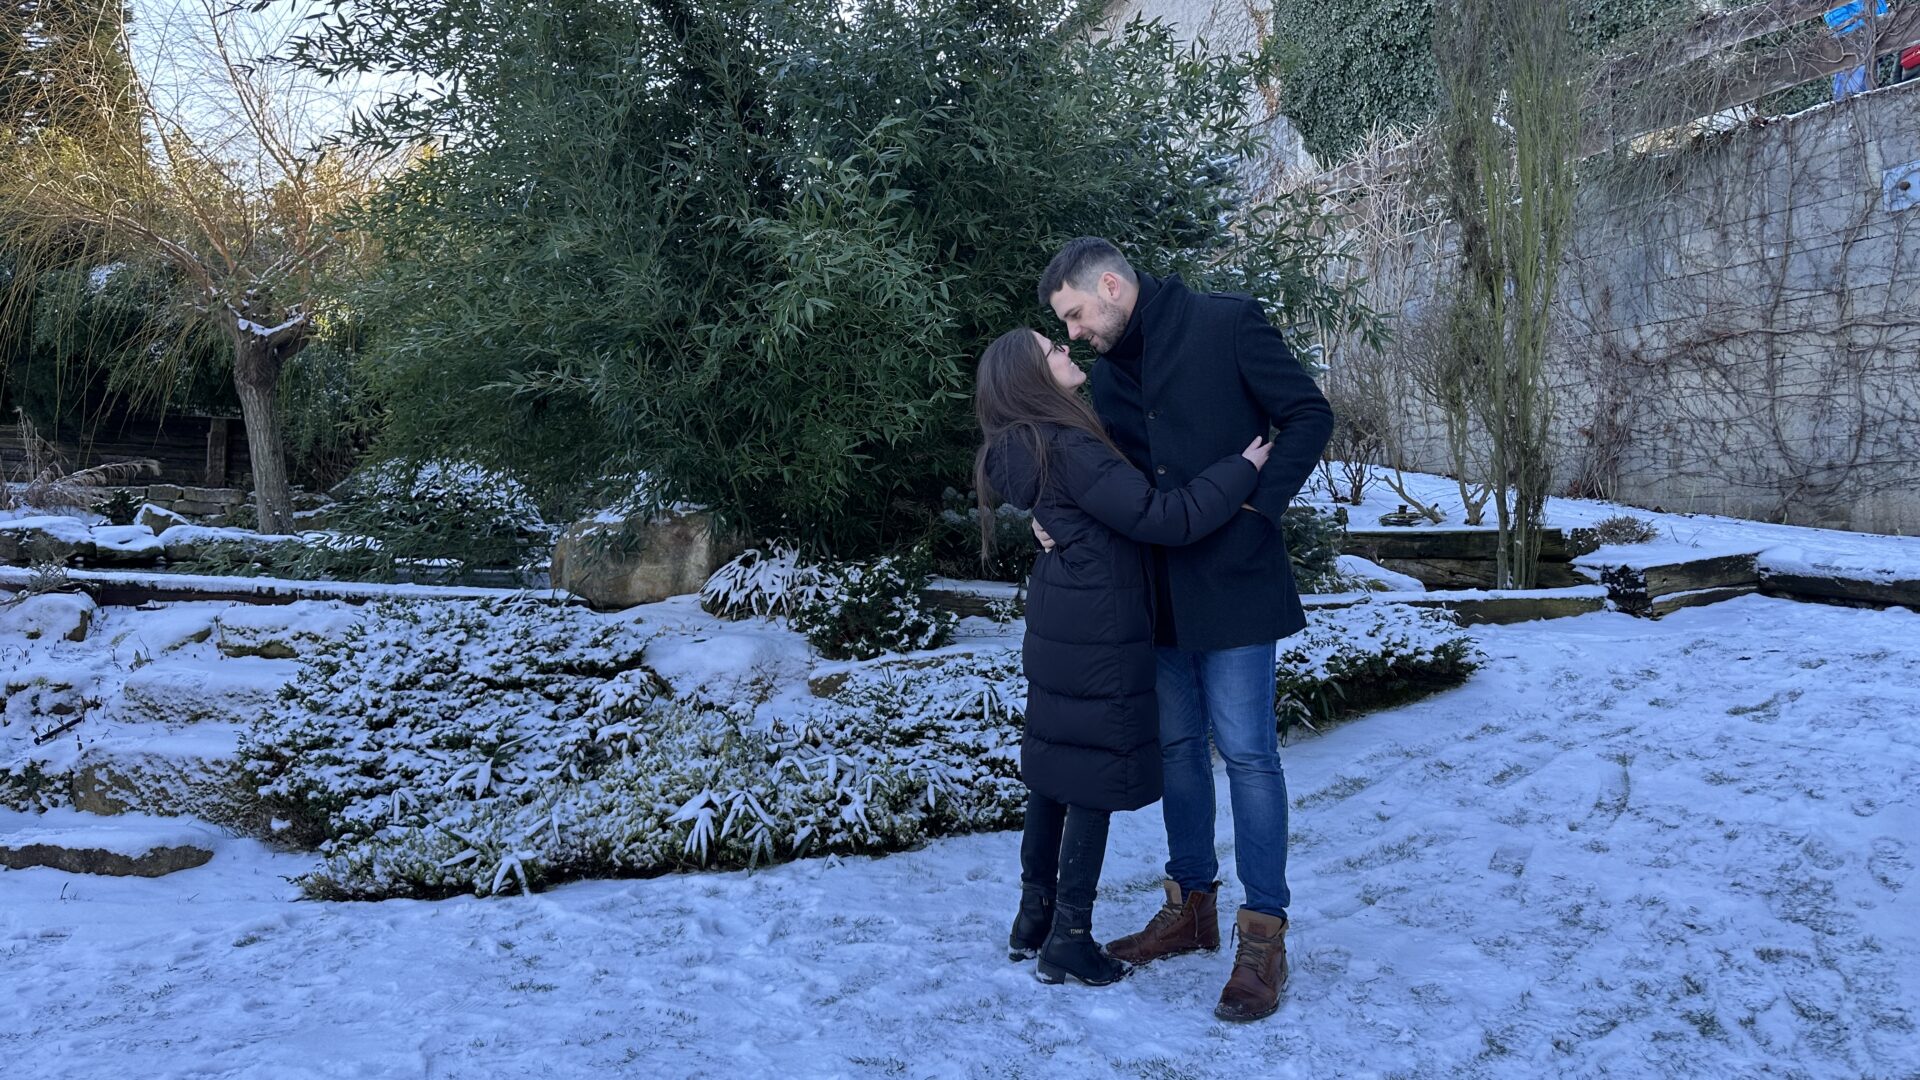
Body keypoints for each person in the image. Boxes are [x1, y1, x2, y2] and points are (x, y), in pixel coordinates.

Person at [1036, 237, 1333, 1022]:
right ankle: (1190, 907)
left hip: (1236, 585)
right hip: (1156, 594)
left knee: (1248, 754)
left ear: (1110, 285)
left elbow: (1309, 414)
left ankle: (1262, 935)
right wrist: (1049, 517)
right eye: (1065, 325)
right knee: (1177, 751)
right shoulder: (1106, 373)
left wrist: (1256, 510)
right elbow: (1098, 475)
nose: (1074, 333)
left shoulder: (1227, 323)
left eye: (1076, 314)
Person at [973, 327, 1270, 987]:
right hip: (1098, 625)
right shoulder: (1069, 445)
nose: (1066, 351)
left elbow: (1075, 511)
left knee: (1056, 767)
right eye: (1052, 350)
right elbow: (1165, 518)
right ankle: (1069, 940)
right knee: (1091, 777)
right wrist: (1240, 470)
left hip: (1062, 616)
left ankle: (1034, 918)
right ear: (1031, 376)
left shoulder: (1025, 445)